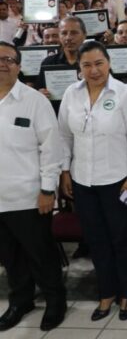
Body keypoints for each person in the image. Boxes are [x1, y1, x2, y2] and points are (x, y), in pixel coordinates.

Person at [58, 42, 127, 322]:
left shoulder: (126, 95)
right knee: (96, 240)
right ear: (79, 68)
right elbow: (64, 136)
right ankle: (107, 292)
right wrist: (65, 171)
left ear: (109, 63)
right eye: (87, 65)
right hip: (82, 180)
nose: (93, 70)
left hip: (117, 181)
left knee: (121, 239)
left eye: (99, 63)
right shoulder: (71, 94)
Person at [0, 42, 67, 332]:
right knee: (10, 256)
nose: (2, 64)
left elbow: (51, 149)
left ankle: (55, 301)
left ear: (19, 65)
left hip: (29, 196)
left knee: (41, 255)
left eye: (8, 59)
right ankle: (20, 301)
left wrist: (48, 190)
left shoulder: (34, 101)